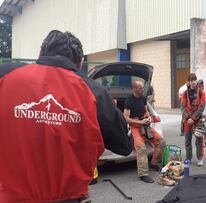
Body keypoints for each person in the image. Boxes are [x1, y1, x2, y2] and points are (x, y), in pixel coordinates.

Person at [0, 30, 133, 202]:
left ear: (40, 54)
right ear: (80, 63)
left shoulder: (5, 76)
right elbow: (125, 145)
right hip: (69, 198)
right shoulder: (96, 93)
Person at [124, 81, 166, 183]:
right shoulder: (129, 100)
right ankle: (143, 174)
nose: (143, 89)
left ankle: (154, 163)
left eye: (143, 87)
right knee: (141, 148)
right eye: (141, 88)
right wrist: (139, 122)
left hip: (145, 125)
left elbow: (146, 111)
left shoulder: (143, 98)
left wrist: (148, 118)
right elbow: (125, 118)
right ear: (135, 89)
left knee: (161, 142)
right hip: (135, 127)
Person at [180, 73, 206, 166]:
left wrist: (193, 118)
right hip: (187, 120)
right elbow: (182, 107)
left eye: (194, 80)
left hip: (197, 119)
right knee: (187, 140)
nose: (193, 82)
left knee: (199, 140)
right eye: (191, 80)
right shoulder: (185, 93)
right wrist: (188, 117)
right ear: (188, 82)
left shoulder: (201, 92)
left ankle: (200, 158)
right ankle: (188, 158)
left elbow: (202, 106)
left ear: (196, 80)